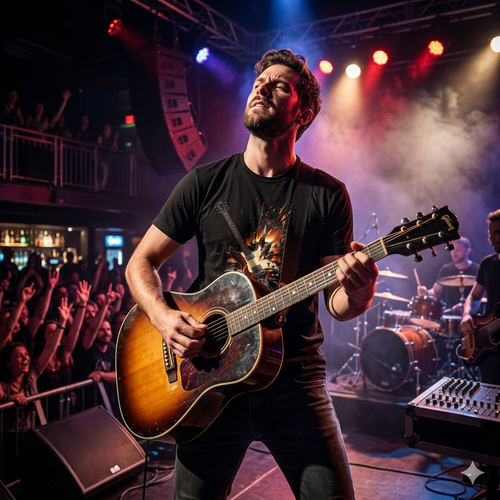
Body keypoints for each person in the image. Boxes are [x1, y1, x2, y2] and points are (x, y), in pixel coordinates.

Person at [125, 48, 378, 499]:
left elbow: (337, 304)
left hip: (295, 384)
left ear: (303, 111)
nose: (262, 87)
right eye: (260, 81)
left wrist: (360, 289)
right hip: (207, 382)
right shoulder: (204, 183)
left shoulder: (326, 194)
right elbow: (139, 263)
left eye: (280, 84)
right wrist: (165, 319)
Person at [461, 209, 500, 384]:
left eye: (497, 232)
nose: (492, 238)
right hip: (490, 351)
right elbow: (474, 296)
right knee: (489, 405)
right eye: (490, 233)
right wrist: (466, 314)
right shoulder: (487, 263)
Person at [417, 236, 479, 313]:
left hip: (472, 315)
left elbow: (482, 296)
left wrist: (468, 306)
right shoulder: (446, 269)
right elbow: (436, 292)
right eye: (452, 250)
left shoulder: (477, 270)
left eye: (457, 250)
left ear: (468, 251)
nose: (454, 253)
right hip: (449, 314)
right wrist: (426, 292)